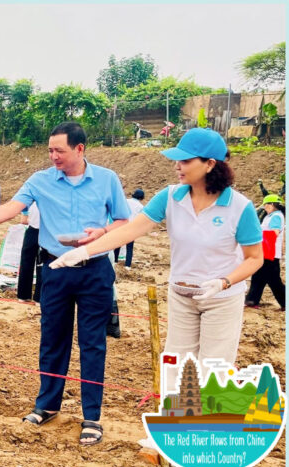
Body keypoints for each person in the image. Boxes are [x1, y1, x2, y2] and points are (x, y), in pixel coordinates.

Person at [0, 122, 130, 445]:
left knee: (92, 344)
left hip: (94, 269)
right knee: (52, 339)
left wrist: (101, 234)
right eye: (50, 150)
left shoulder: (106, 179)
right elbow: (11, 208)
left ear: (79, 149)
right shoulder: (40, 181)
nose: (53, 156)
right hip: (56, 269)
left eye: (59, 150)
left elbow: (123, 221)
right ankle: (47, 405)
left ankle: (92, 416)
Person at [49, 127, 263, 395]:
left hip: (220, 299)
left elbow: (255, 258)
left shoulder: (239, 207)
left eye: (185, 161)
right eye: (177, 160)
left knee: (214, 369)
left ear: (210, 164)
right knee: (176, 364)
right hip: (182, 294)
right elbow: (131, 229)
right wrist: (84, 251)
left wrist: (224, 282)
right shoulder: (172, 196)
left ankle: (206, 432)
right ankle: (171, 432)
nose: (177, 166)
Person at [245, 194, 285, 310]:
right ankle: (252, 301)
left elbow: (275, 233)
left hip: (270, 254)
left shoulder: (276, 216)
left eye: (266, 205)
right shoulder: (270, 216)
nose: (265, 208)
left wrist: (256, 235)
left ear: (272, 205)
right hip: (265, 252)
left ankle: (284, 302)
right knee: (258, 277)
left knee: (274, 281)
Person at [17, 202, 42, 303]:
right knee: (32, 263)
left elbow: (24, 220)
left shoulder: (30, 199)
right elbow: (23, 220)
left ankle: (31, 296)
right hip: (39, 231)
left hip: (38, 231)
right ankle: (30, 296)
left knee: (34, 263)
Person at [113, 188, 145, 269]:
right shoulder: (141, 207)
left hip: (122, 225)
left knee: (118, 244)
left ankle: (115, 261)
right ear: (141, 197)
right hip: (132, 228)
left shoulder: (126, 201)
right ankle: (127, 265)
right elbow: (141, 219)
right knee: (129, 247)